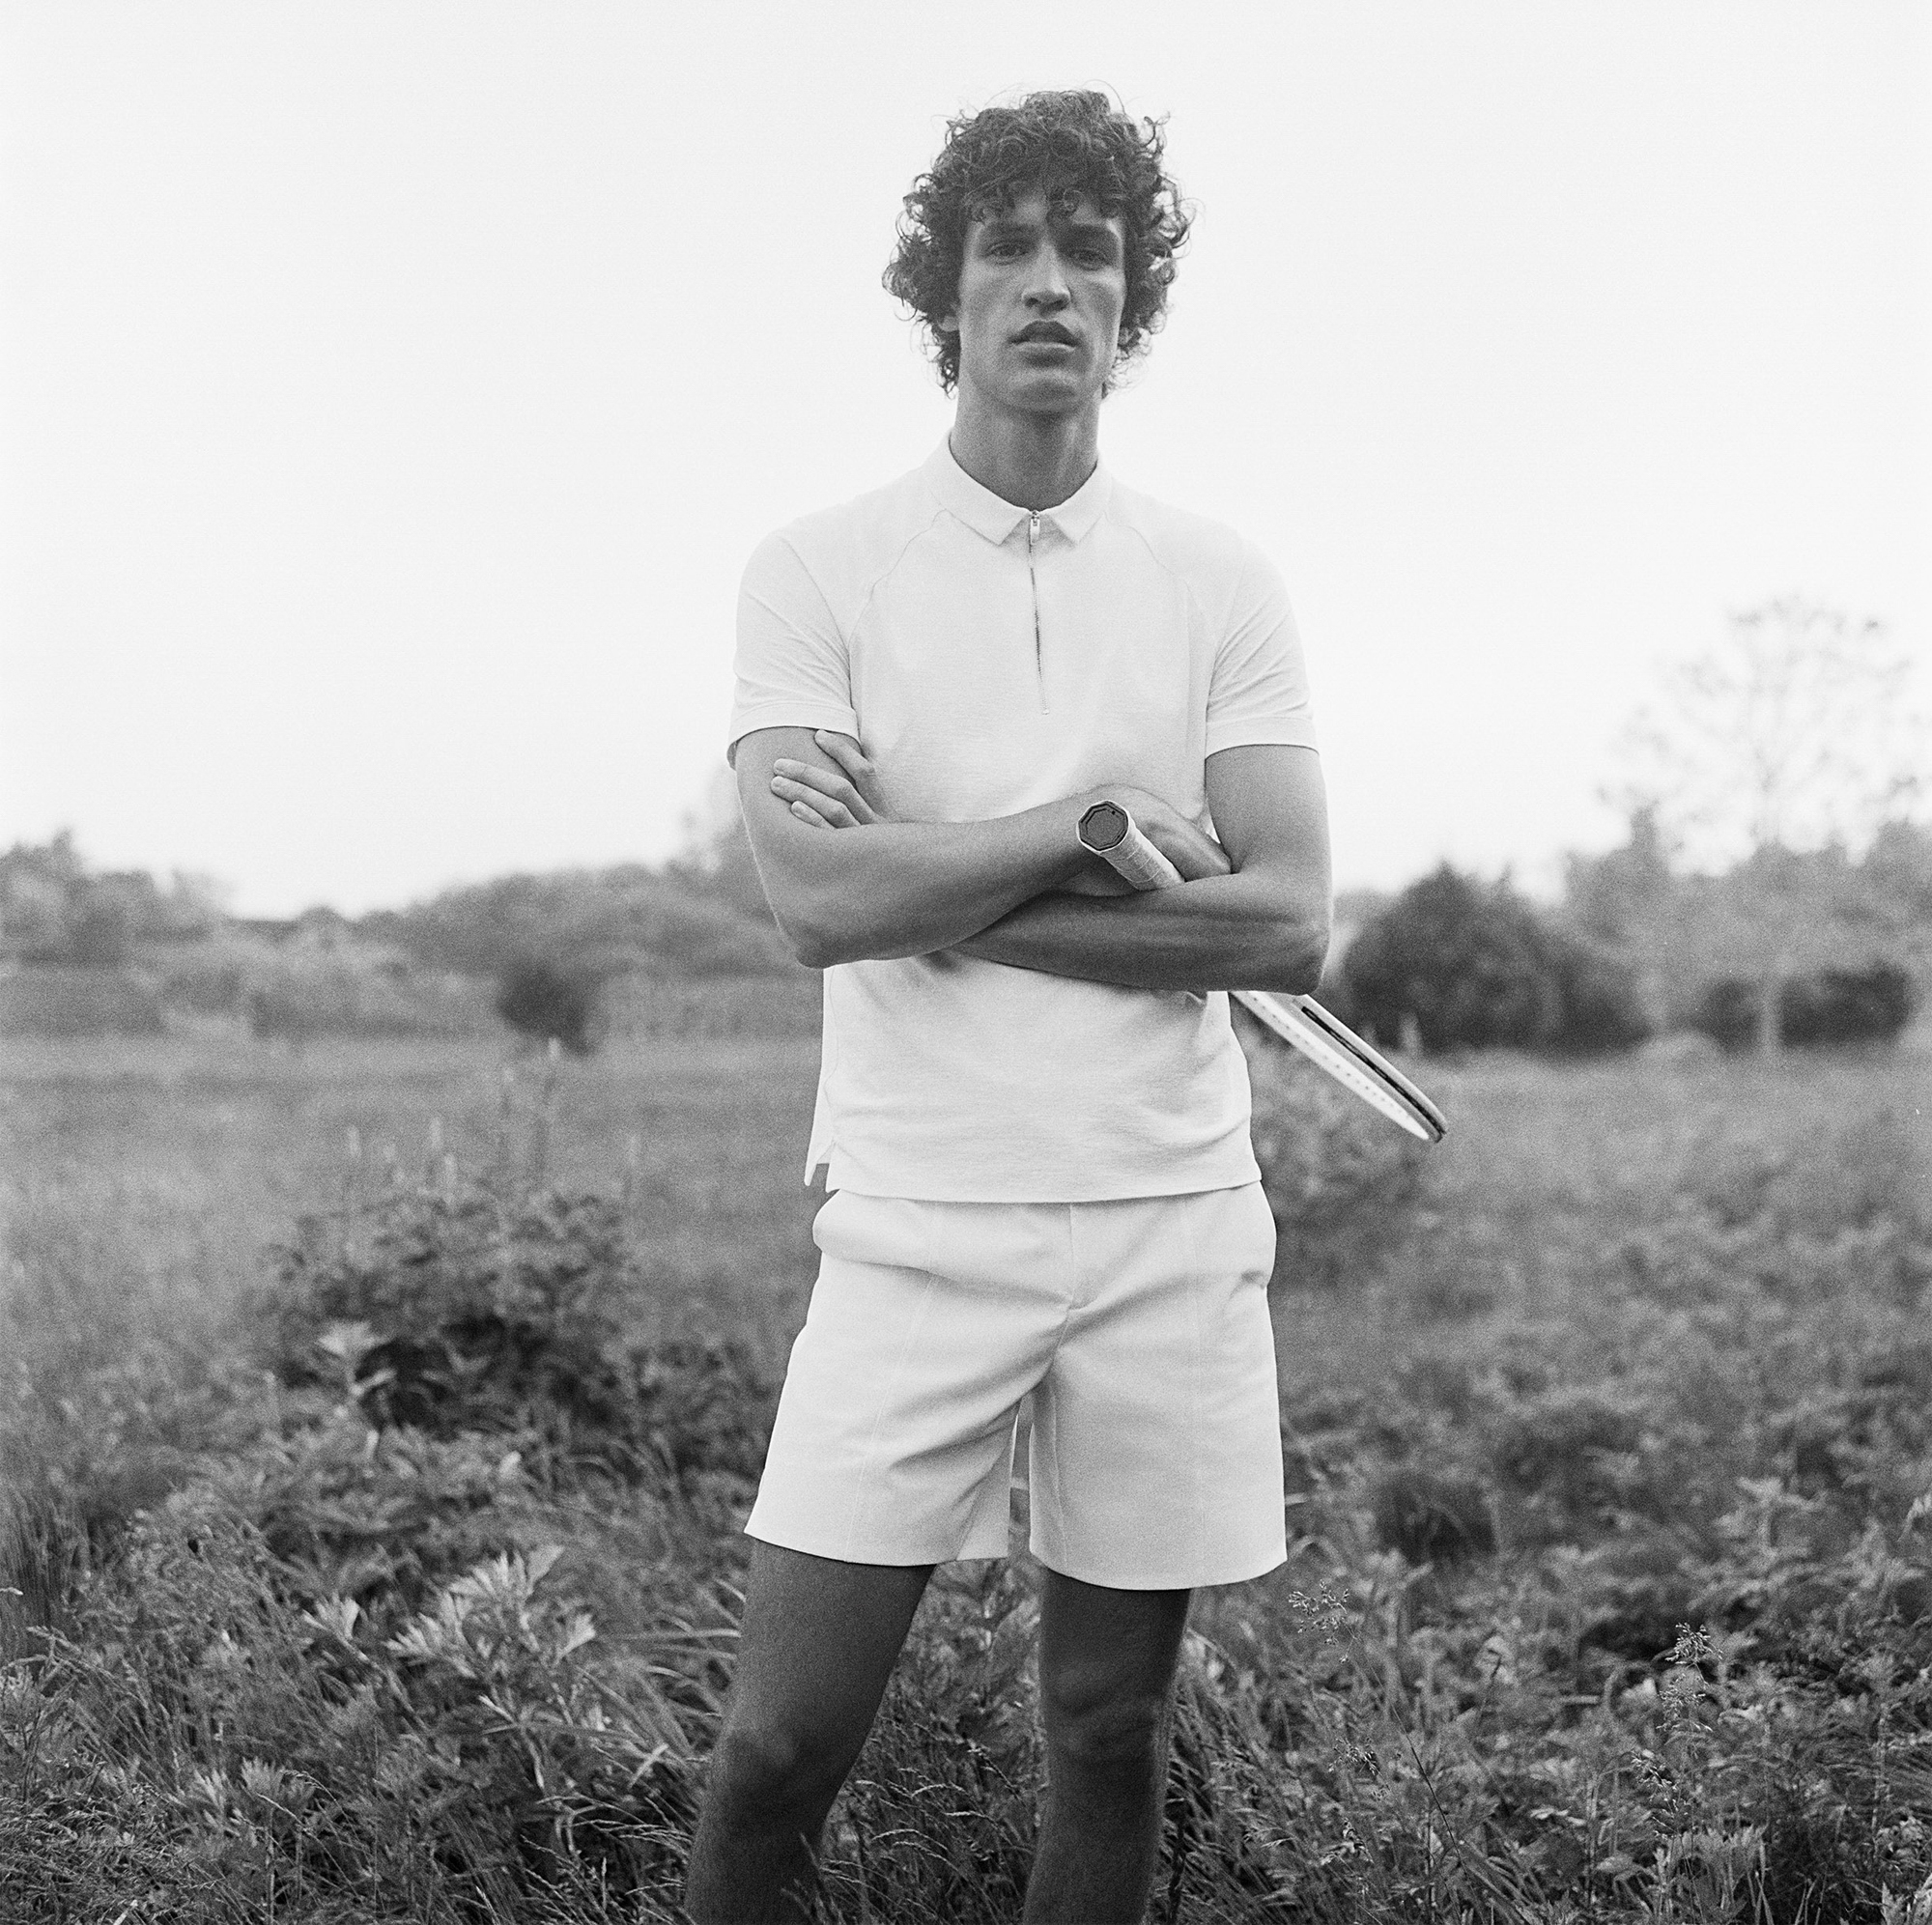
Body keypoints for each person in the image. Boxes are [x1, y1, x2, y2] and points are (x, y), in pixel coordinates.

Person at [684, 88, 1331, 1925]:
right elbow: (814, 901)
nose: (1052, 285)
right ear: (943, 297)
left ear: (1133, 306)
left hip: (1168, 1215)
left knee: (1110, 1725)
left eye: (1091, 252)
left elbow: (1283, 921)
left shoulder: (1219, 578)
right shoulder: (816, 567)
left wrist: (929, 867)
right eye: (1009, 248)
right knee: (773, 1754)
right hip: (915, 1220)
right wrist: (1097, 831)